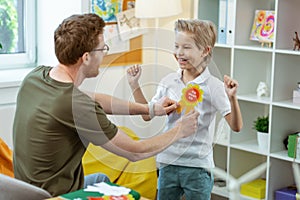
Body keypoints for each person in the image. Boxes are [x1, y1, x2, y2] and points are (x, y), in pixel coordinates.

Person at [12, 14, 200, 197]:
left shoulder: (36, 77)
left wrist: (149, 108)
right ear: (86, 57)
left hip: (24, 190)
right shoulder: (77, 106)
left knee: (101, 178)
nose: (104, 54)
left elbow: (94, 99)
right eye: (102, 49)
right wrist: (180, 130)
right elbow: (135, 151)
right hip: (54, 196)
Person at [127, 19, 243, 200]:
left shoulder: (214, 86)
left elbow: (236, 126)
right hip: (168, 162)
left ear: (205, 50)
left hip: (198, 166)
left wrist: (232, 98)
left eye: (186, 47)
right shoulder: (168, 81)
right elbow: (146, 115)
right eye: (176, 46)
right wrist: (134, 84)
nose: (179, 53)